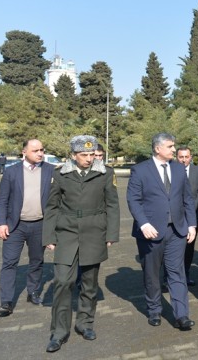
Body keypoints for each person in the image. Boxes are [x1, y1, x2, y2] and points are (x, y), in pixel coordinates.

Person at [42, 135, 120, 353]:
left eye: (92, 154)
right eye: (84, 155)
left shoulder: (105, 173)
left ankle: (85, 323)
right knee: (62, 282)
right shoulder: (60, 174)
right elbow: (52, 207)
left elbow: (112, 205)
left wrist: (111, 234)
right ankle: (59, 331)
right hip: (66, 233)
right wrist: (48, 236)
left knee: (89, 283)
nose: (89, 158)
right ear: (73, 155)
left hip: (94, 232)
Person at [127, 133, 197, 330]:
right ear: (157, 149)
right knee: (151, 273)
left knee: (177, 272)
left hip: (177, 231)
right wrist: (143, 223)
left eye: (173, 146)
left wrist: (191, 225)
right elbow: (133, 200)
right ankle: (154, 310)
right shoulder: (140, 170)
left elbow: (187, 199)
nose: (174, 150)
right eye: (170, 146)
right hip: (150, 232)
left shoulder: (179, 169)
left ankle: (181, 315)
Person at [0, 139, 53, 317]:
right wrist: (1, 223)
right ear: (24, 152)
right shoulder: (12, 172)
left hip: (40, 224)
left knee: (36, 261)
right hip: (15, 226)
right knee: (9, 262)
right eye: (35, 150)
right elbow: (2, 200)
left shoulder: (51, 170)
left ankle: (33, 292)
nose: (40, 153)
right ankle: (6, 301)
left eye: (42, 150)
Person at [177, 146, 198, 286]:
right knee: (173, 247)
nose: (183, 160)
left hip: (193, 216)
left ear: (191, 157)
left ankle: (186, 274)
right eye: (181, 157)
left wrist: (190, 208)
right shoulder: (170, 170)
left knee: (189, 246)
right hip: (175, 216)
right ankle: (168, 277)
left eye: (186, 157)